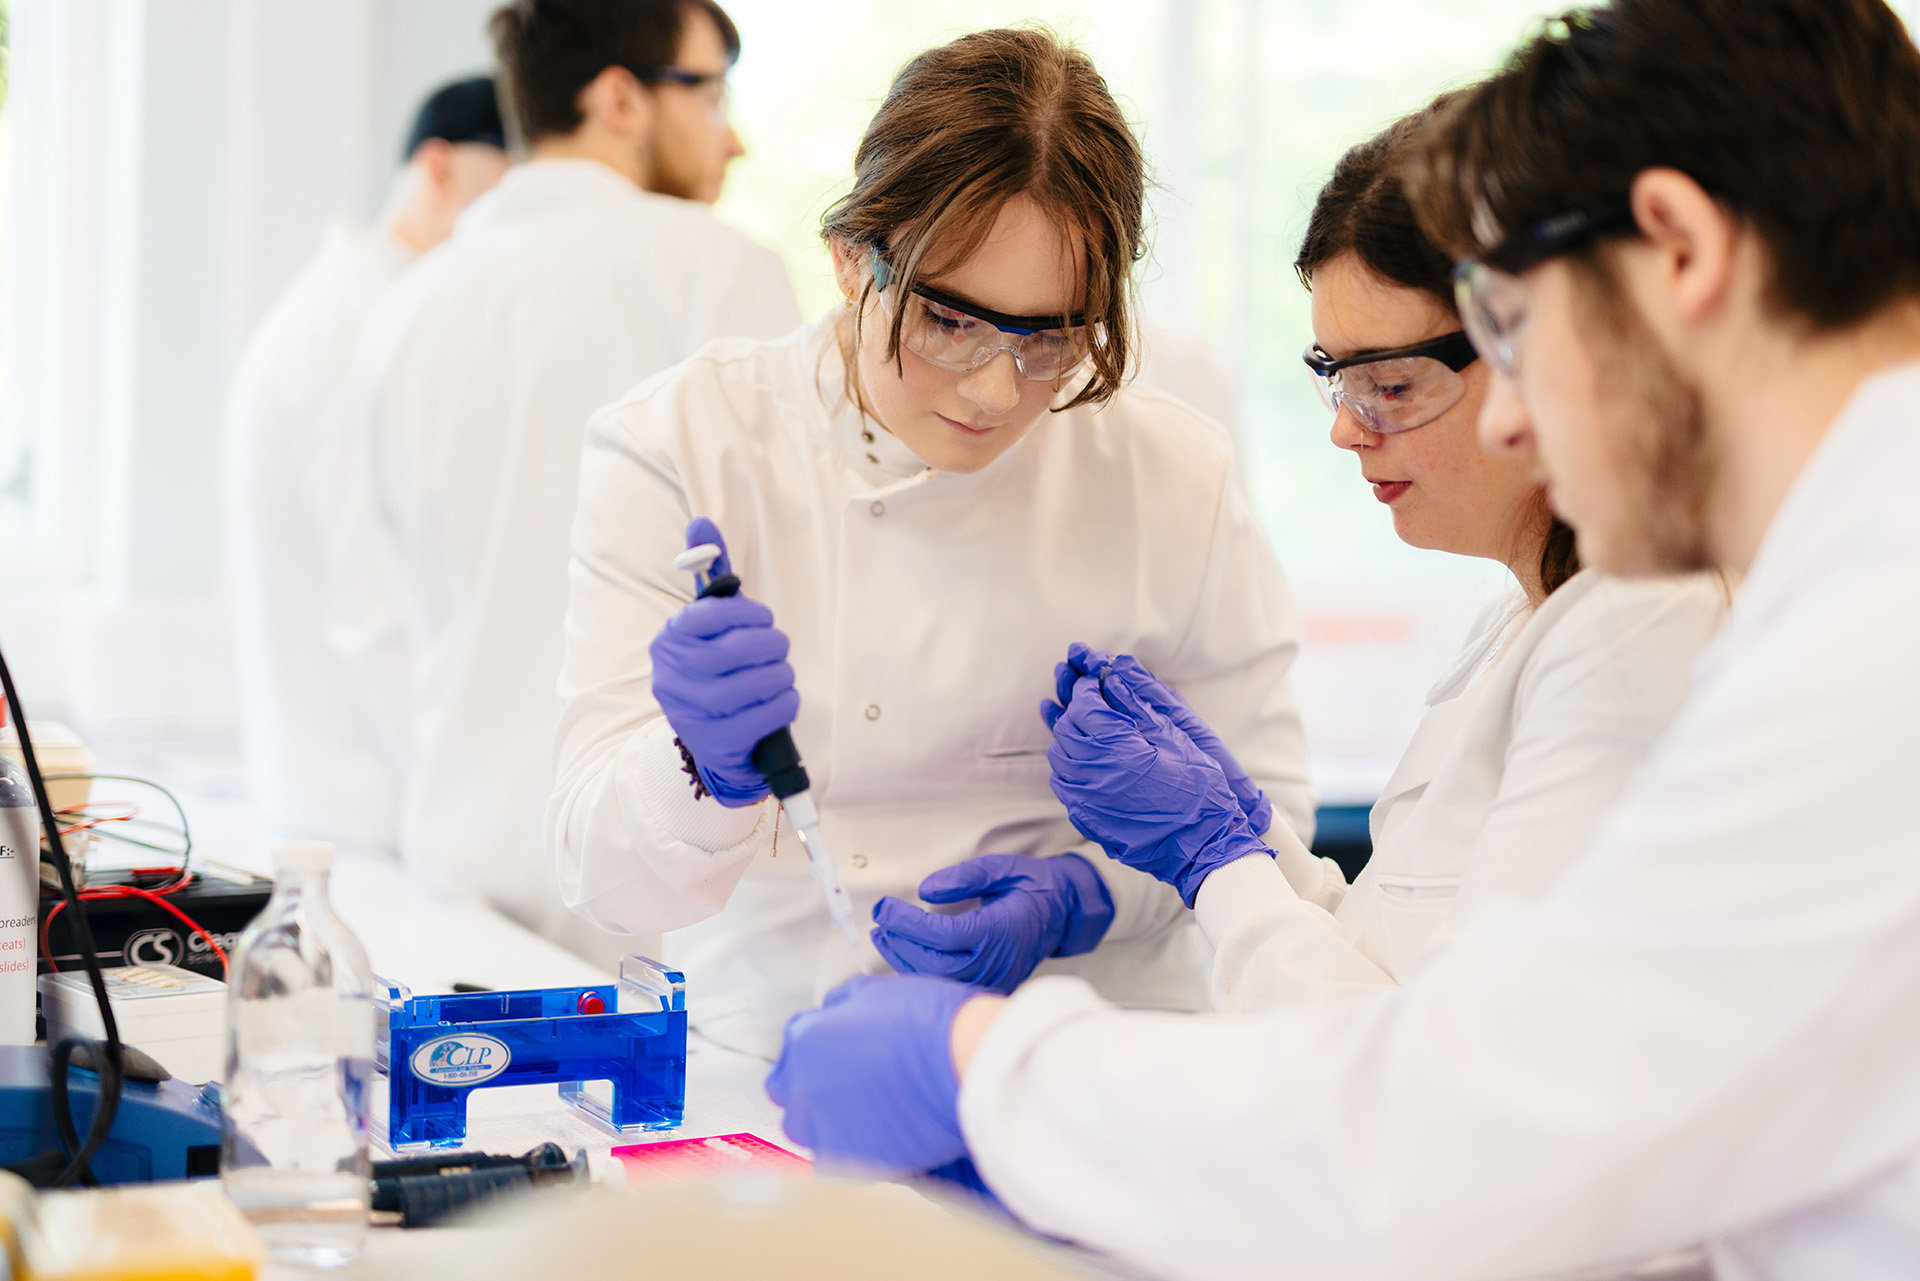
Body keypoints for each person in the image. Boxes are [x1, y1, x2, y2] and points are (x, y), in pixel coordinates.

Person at [764, 1, 1920, 1277]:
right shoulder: (1844, 586)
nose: (1516, 421)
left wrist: (988, 1074)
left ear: (1680, 251)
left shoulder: (1872, 641)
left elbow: (1473, 1145)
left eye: (1513, 331)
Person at [549, 28, 1317, 1057]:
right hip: (775, 1051)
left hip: (1094, 1045)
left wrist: (1090, 895)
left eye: (1052, 336)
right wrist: (698, 767)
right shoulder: (685, 442)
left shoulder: (1167, 469)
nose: (999, 389)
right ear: (850, 260)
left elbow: (1274, 823)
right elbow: (602, 877)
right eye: (950, 322)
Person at [1043, 107, 1726, 1013]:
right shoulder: (1523, 619)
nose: (1343, 427)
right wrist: (1248, 837)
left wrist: (1216, 859)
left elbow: (1426, 1064)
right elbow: (1385, 952)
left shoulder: (1638, 627)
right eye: (1337, 376)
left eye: (1391, 386)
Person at [346, 0, 799, 959]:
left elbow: (372, 623)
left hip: (457, 886)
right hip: (661, 903)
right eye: (711, 91)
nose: (737, 138)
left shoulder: (404, 308)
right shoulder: (718, 270)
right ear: (619, 99)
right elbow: (786, 591)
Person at [225, 78, 508, 858]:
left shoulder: (362, 311)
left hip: (346, 808)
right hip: (365, 822)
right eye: (505, 187)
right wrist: (468, 807)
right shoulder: (351, 327)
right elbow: (370, 610)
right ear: (438, 166)